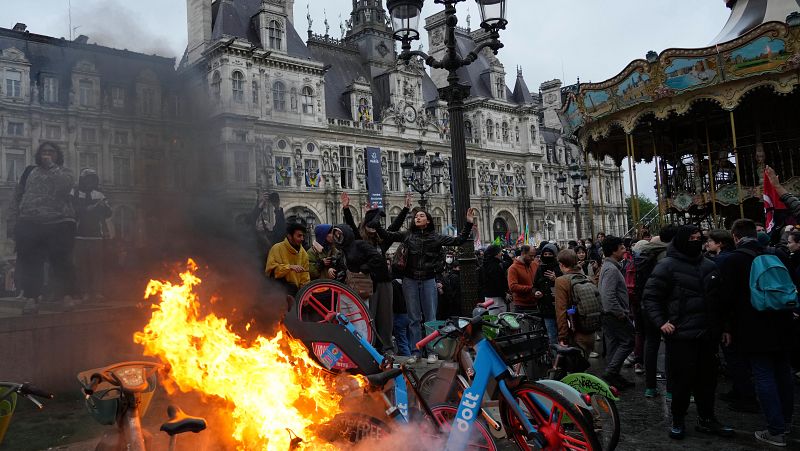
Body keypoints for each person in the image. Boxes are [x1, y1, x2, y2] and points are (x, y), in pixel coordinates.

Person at [642, 225, 733, 440]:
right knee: (682, 381)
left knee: (707, 380)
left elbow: (721, 301)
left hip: (707, 333)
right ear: (682, 241)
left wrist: (725, 327)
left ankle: (707, 418)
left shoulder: (709, 266)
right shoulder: (667, 266)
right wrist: (661, 322)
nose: (695, 241)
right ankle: (678, 419)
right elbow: (651, 297)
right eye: (691, 238)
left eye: (698, 238)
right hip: (681, 334)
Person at [720, 219, 796, 447]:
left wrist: (726, 327)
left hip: (753, 325)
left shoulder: (734, 259)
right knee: (784, 371)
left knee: (763, 374)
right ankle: (787, 421)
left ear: (735, 236)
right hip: (783, 320)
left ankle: (775, 430)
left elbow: (727, 298)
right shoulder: (778, 254)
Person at [373, 208, 475, 364]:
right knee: (413, 319)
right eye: (416, 216)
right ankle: (416, 352)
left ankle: (432, 352)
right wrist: (376, 223)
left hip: (428, 280)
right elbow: (388, 235)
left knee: (431, 318)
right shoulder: (408, 236)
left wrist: (468, 223)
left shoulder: (435, 237)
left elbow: (459, 240)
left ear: (428, 221)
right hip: (410, 280)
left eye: (422, 216)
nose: (417, 218)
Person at [10, 142, 76, 313]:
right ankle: (32, 298)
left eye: (51, 152)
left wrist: (52, 166)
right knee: (31, 262)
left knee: (61, 261)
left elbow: (65, 186)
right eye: (44, 152)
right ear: (38, 155)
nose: (47, 155)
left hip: (58, 222)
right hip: (30, 221)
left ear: (57, 155)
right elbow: (18, 194)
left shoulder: (64, 172)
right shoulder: (29, 171)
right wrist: (14, 220)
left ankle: (67, 296)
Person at [333, 223, 394, 355]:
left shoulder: (359, 245)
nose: (337, 236)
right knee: (343, 321)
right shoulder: (342, 251)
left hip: (358, 291)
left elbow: (377, 257)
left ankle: (365, 353)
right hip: (344, 290)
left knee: (360, 323)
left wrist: (364, 268)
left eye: (339, 233)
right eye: (335, 234)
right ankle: (349, 352)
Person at [633, 226, 678, 398]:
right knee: (670, 346)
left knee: (650, 344)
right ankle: (671, 389)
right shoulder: (667, 255)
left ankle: (650, 387)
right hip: (664, 304)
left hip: (646, 303)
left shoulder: (642, 253)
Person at [597, 235, 635, 389]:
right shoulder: (611, 269)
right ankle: (612, 372)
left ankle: (614, 376)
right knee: (629, 340)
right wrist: (619, 312)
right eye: (621, 248)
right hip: (614, 314)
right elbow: (608, 295)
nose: (625, 250)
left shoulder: (610, 266)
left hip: (609, 314)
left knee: (613, 345)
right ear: (613, 251)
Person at [71, 168, 112, 302]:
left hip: (96, 236)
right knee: (81, 266)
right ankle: (84, 292)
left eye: (92, 179)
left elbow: (108, 214)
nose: (89, 182)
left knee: (96, 266)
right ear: (82, 180)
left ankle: (97, 291)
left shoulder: (99, 195)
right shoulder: (75, 193)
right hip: (79, 235)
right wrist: (86, 209)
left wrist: (103, 207)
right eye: (87, 179)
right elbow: (72, 210)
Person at [554, 249, 597, 357]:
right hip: (591, 330)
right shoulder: (588, 278)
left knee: (574, 370)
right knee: (584, 366)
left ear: (561, 264)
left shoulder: (561, 281)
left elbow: (561, 311)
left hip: (575, 332)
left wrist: (562, 337)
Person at [265, 223, 310, 296]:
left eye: (303, 236)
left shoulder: (304, 254)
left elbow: (305, 278)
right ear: (289, 236)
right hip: (277, 292)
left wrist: (304, 294)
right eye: (299, 236)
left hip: (296, 294)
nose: (302, 239)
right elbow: (271, 272)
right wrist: (289, 267)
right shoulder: (276, 248)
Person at [533, 243, 562, 344]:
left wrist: (556, 279)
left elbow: (566, 284)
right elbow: (535, 285)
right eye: (545, 254)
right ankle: (555, 357)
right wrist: (536, 292)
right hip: (546, 308)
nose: (547, 256)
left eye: (550, 254)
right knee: (551, 335)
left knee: (563, 335)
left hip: (560, 308)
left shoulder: (560, 268)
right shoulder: (540, 268)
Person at [507, 245, 539, 312]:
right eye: (530, 256)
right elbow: (512, 286)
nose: (533, 258)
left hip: (536, 304)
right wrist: (531, 288)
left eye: (534, 256)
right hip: (521, 306)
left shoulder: (535, 264)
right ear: (523, 254)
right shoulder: (513, 268)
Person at [480, 244, 509, 314]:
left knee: (493, 319)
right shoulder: (495, 266)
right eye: (500, 252)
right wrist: (504, 294)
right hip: (496, 298)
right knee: (497, 320)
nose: (501, 254)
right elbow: (498, 283)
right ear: (495, 254)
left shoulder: (485, 265)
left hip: (489, 297)